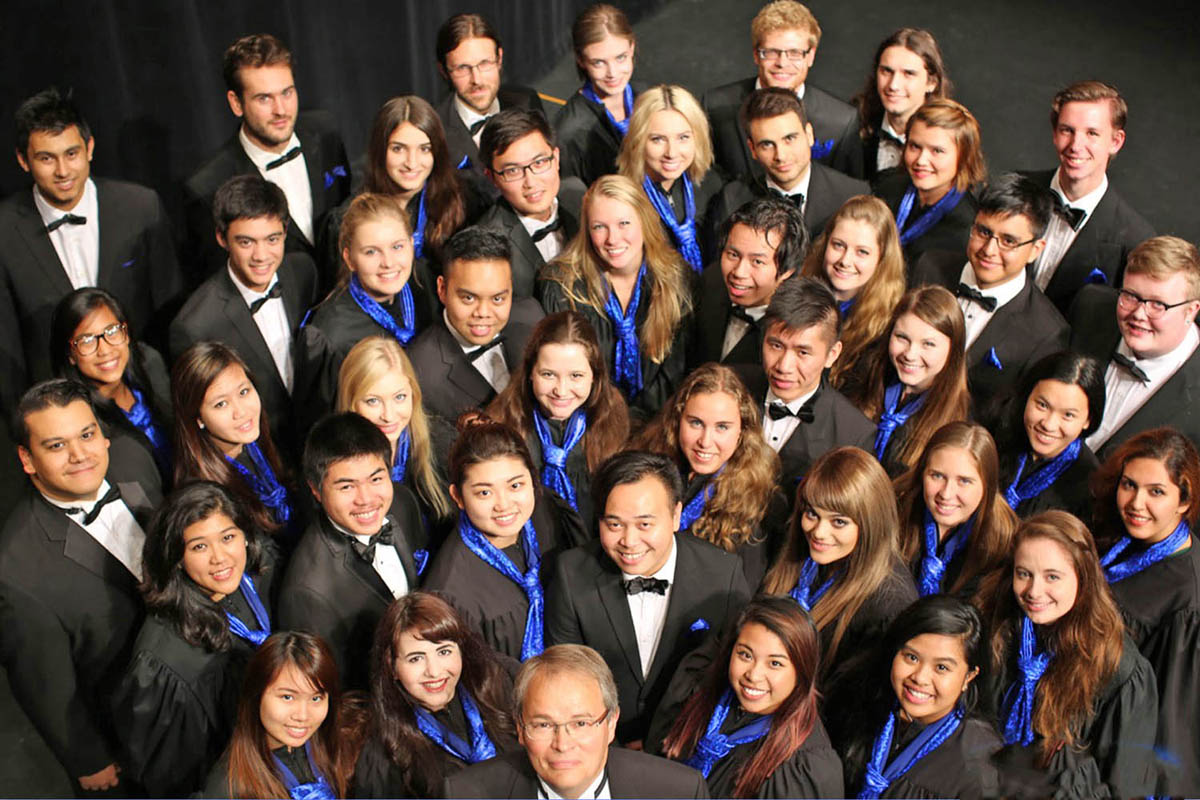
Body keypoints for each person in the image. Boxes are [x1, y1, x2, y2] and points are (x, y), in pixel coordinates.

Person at [0, 379, 161, 795]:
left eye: (87, 435)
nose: (80, 455)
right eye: (56, 446)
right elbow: (45, 684)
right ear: (27, 459)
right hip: (130, 737)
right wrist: (88, 758)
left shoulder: (131, 458)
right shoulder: (15, 573)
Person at [0, 88, 182, 423]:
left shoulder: (141, 208)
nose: (63, 171)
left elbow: (168, 315)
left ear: (90, 148)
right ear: (23, 160)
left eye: (71, 153)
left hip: (147, 405)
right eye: (46, 158)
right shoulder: (5, 231)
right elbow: (7, 354)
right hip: (60, 418)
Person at [546, 450, 751, 745]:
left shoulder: (722, 576)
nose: (629, 542)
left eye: (644, 524)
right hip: (602, 744)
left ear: (676, 515)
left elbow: (728, 680)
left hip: (687, 744)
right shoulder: (571, 574)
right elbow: (568, 678)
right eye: (614, 525)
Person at [976, 511, 1159, 798]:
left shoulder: (1116, 667)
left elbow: (1127, 785)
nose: (1034, 591)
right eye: (1024, 574)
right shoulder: (997, 626)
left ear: (1083, 579)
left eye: (1052, 577)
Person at [113, 482, 277, 797]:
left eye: (228, 538)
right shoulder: (164, 664)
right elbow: (172, 777)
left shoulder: (254, 577)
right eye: (199, 547)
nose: (220, 558)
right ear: (176, 558)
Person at [183, 34, 350, 286]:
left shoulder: (325, 133)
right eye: (264, 98)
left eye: (287, 93)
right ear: (236, 103)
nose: (281, 109)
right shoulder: (208, 187)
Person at [277, 412, 428, 690]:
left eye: (375, 479)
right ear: (316, 491)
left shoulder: (403, 504)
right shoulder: (307, 593)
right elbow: (334, 692)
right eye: (347, 486)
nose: (367, 499)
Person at [170, 175, 318, 455]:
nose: (261, 256)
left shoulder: (303, 271)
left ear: (286, 232)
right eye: (246, 242)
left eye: (272, 239)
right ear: (222, 238)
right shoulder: (194, 326)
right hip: (258, 460)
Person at [445, 644, 709, 798]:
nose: (562, 744)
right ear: (520, 729)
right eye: (543, 725)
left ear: (611, 724)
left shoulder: (679, 793)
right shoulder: (466, 794)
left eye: (581, 723)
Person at [1090, 428, 1200, 793]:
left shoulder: (1188, 598)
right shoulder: (1117, 540)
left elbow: (1171, 720)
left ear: (1184, 501)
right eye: (1129, 485)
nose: (1136, 503)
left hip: (1105, 748)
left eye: (1156, 492)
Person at [909, 173, 1070, 422]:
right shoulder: (929, 265)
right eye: (983, 232)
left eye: (1008, 241)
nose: (989, 250)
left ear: (1035, 250)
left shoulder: (1046, 334)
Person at [423, 420, 584, 666]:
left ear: (533, 480)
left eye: (515, 485)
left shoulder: (548, 513)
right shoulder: (449, 593)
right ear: (458, 496)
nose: (504, 505)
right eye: (484, 493)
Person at [761, 447, 918, 699]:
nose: (818, 532)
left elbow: (849, 707)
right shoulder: (798, 550)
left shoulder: (889, 606)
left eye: (839, 522)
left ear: (870, 523)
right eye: (812, 513)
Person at [656, 597, 844, 798]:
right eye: (745, 655)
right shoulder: (703, 696)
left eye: (775, 664)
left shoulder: (805, 767)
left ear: (802, 671)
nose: (753, 675)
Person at [538, 174, 693, 420]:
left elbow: (676, 374)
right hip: (587, 423)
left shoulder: (675, 277)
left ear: (644, 221)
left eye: (624, 224)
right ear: (587, 231)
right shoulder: (560, 286)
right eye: (600, 227)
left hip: (658, 423)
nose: (612, 239)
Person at [353, 591, 520, 798]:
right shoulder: (383, 757)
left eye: (444, 652)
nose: (434, 671)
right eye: (415, 659)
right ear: (392, 667)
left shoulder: (499, 681)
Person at [635, 364, 786, 586]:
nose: (705, 441)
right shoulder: (648, 470)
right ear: (678, 420)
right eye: (696, 423)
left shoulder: (758, 503)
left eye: (722, 427)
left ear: (741, 432)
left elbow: (743, 596)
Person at [486, 311, 631, 542]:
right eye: (548, 374)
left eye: (576, 375)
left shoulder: (612, 415)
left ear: (594, 376)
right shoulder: (503, 424)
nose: (561, 391)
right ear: (530, 373)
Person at [839, 595, 1002, 799]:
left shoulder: (981, 768)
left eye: (941, 667)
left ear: (969, 676)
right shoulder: (863, 702)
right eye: (912, 657)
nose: (920, 678)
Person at [734, 277, 876, 493]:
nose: (784, 366)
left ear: (832, 354)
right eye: (776, 345)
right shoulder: (730, 386)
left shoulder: (853, 434)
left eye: (802, 352)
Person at [1022, 81, 1155, 312]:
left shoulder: (1135, 239)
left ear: (1116, 141)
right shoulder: (1017, 188)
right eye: (1067, 130)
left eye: (1092, 133)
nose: (1076, 145)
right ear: (1055, 134)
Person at [301, 192, 435, 413]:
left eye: (398, 246)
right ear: (349, 259)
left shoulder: (423, 285)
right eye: (371, 252)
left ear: (412, 244)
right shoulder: (331, 337)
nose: (389, 263)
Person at [328, 94, 487, 280]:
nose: (412, 163)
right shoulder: (348, 219)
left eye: (424, 149)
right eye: (398, 149)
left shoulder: (462, 201)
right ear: (380, 151)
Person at [1070, 235, 1200, 458]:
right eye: (1131, 296)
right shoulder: (1090, 307)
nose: (1139, 314)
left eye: (1158, 305)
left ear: (1191, 311)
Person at [703, 1, 860, 179]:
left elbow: (848, 193)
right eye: (771, 52)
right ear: (756, 55)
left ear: (811, 56)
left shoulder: (841, 121)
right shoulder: (715, 106)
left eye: (794, 53)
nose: (782, 63)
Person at [407, 227, 546, 421]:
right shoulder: (419, 371)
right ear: (442, 289)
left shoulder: (531, 315)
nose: (483, 313)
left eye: (498, 299)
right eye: (469, 298)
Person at [705, 88, 868, 249]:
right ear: (753, 149)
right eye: (767, 144)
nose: (781, 155)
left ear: (809, 135)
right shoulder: (732, 199)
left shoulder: (852, 195)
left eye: (789, 138)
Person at [200, 631, 354, 799]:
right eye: (287, 697)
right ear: (256, 695)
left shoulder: (332, 745)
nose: (303, 715)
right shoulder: (228, 788)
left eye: (316, 698)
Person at [172, 341, 298, 540]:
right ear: (198, 418)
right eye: (221, 404)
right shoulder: (204, 494)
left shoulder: (261, 440)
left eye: (244, 392)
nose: (241, 411)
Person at [336, 335, 456, 537]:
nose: (389, 416)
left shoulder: (442, 441)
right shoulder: (334, 462)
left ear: (413, 394)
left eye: (400, 397)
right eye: (373, 401)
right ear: (351, 402)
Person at [51, 287, 174, 484]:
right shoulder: (78, 418)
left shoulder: (149, 364)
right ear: (70, 355)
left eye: (112, 331)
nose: (105, 349)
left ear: (126, 333)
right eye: (87, 341)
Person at [848, 286, 969, 476]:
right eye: (902, 338)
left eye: (928, 344)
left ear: (953, 350)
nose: (910, 354)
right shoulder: (867, 375)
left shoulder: (958, 423)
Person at [894, 421, 1018, 598]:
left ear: (987, 486)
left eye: (964, 481)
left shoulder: (1003, 545)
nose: (946, 493)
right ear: (922, 472)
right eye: (937, 476)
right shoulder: (895, 509)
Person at [478, 108, 587, 298]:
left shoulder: (579, 195)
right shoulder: (486, 243)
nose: (531, 182)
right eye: (512, 171)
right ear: (492, 178)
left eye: (539, 163)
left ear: (556, 158)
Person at [799, 195, 904, 388]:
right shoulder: (798, 293)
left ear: (882, 259)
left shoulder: (885, 332)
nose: (845, 261)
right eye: (838, 245)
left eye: (862, 252)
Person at [690, 196, 806, 370]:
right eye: (733, 255)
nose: (738, 272)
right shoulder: (710, 282)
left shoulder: (797, 329)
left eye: (757, 262)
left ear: (786, 271)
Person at [618, 85, 723, 271]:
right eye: (658, 139)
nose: (672, 153)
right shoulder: (622, 202)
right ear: (638, 141)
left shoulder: (712, 186)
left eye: (683, 137)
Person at [434, 13, 547, 183]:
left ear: (499, 58)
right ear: (443, 71)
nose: (476, 80)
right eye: (462, 68)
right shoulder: (435, 130)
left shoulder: (527, 102)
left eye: (485, 63)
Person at [874, 99, 986, 267]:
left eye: (937, 151)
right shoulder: (886, 188)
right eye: (915, 146)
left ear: (964, 157)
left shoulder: (967, 229)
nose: (921, 160)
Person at [996, 352, 1105, 521]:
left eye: (1068, 415)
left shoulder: (1089, 487)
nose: (1048, 424)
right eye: (1042, 405)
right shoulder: (995, 435)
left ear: (1088, 420)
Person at [555, 4, 643, 186]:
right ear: (580, 60)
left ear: (632, 48)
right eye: (599, 63)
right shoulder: (569, 133)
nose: (613, 73)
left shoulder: (647, 97)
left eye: (621, 58)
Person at [850, 28, 951, 183]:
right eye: (886, 71)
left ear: (931, 83)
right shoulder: (851, 125)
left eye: (908, 74)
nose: (894, 85)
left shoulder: (950, 137)